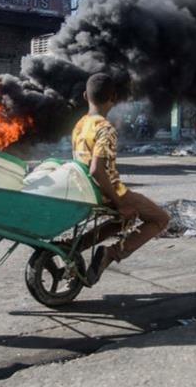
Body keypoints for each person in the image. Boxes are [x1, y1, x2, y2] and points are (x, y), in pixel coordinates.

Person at [71, 73, 170, 285]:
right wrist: (118, 203)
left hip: (86, 190)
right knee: (161, 219)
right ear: (113, 97)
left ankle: (76, 246)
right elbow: (97, 170)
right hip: (109, 192)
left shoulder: (80, 124)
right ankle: (110, 254)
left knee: (127, 217)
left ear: (85, 96)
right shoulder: (105, 128)